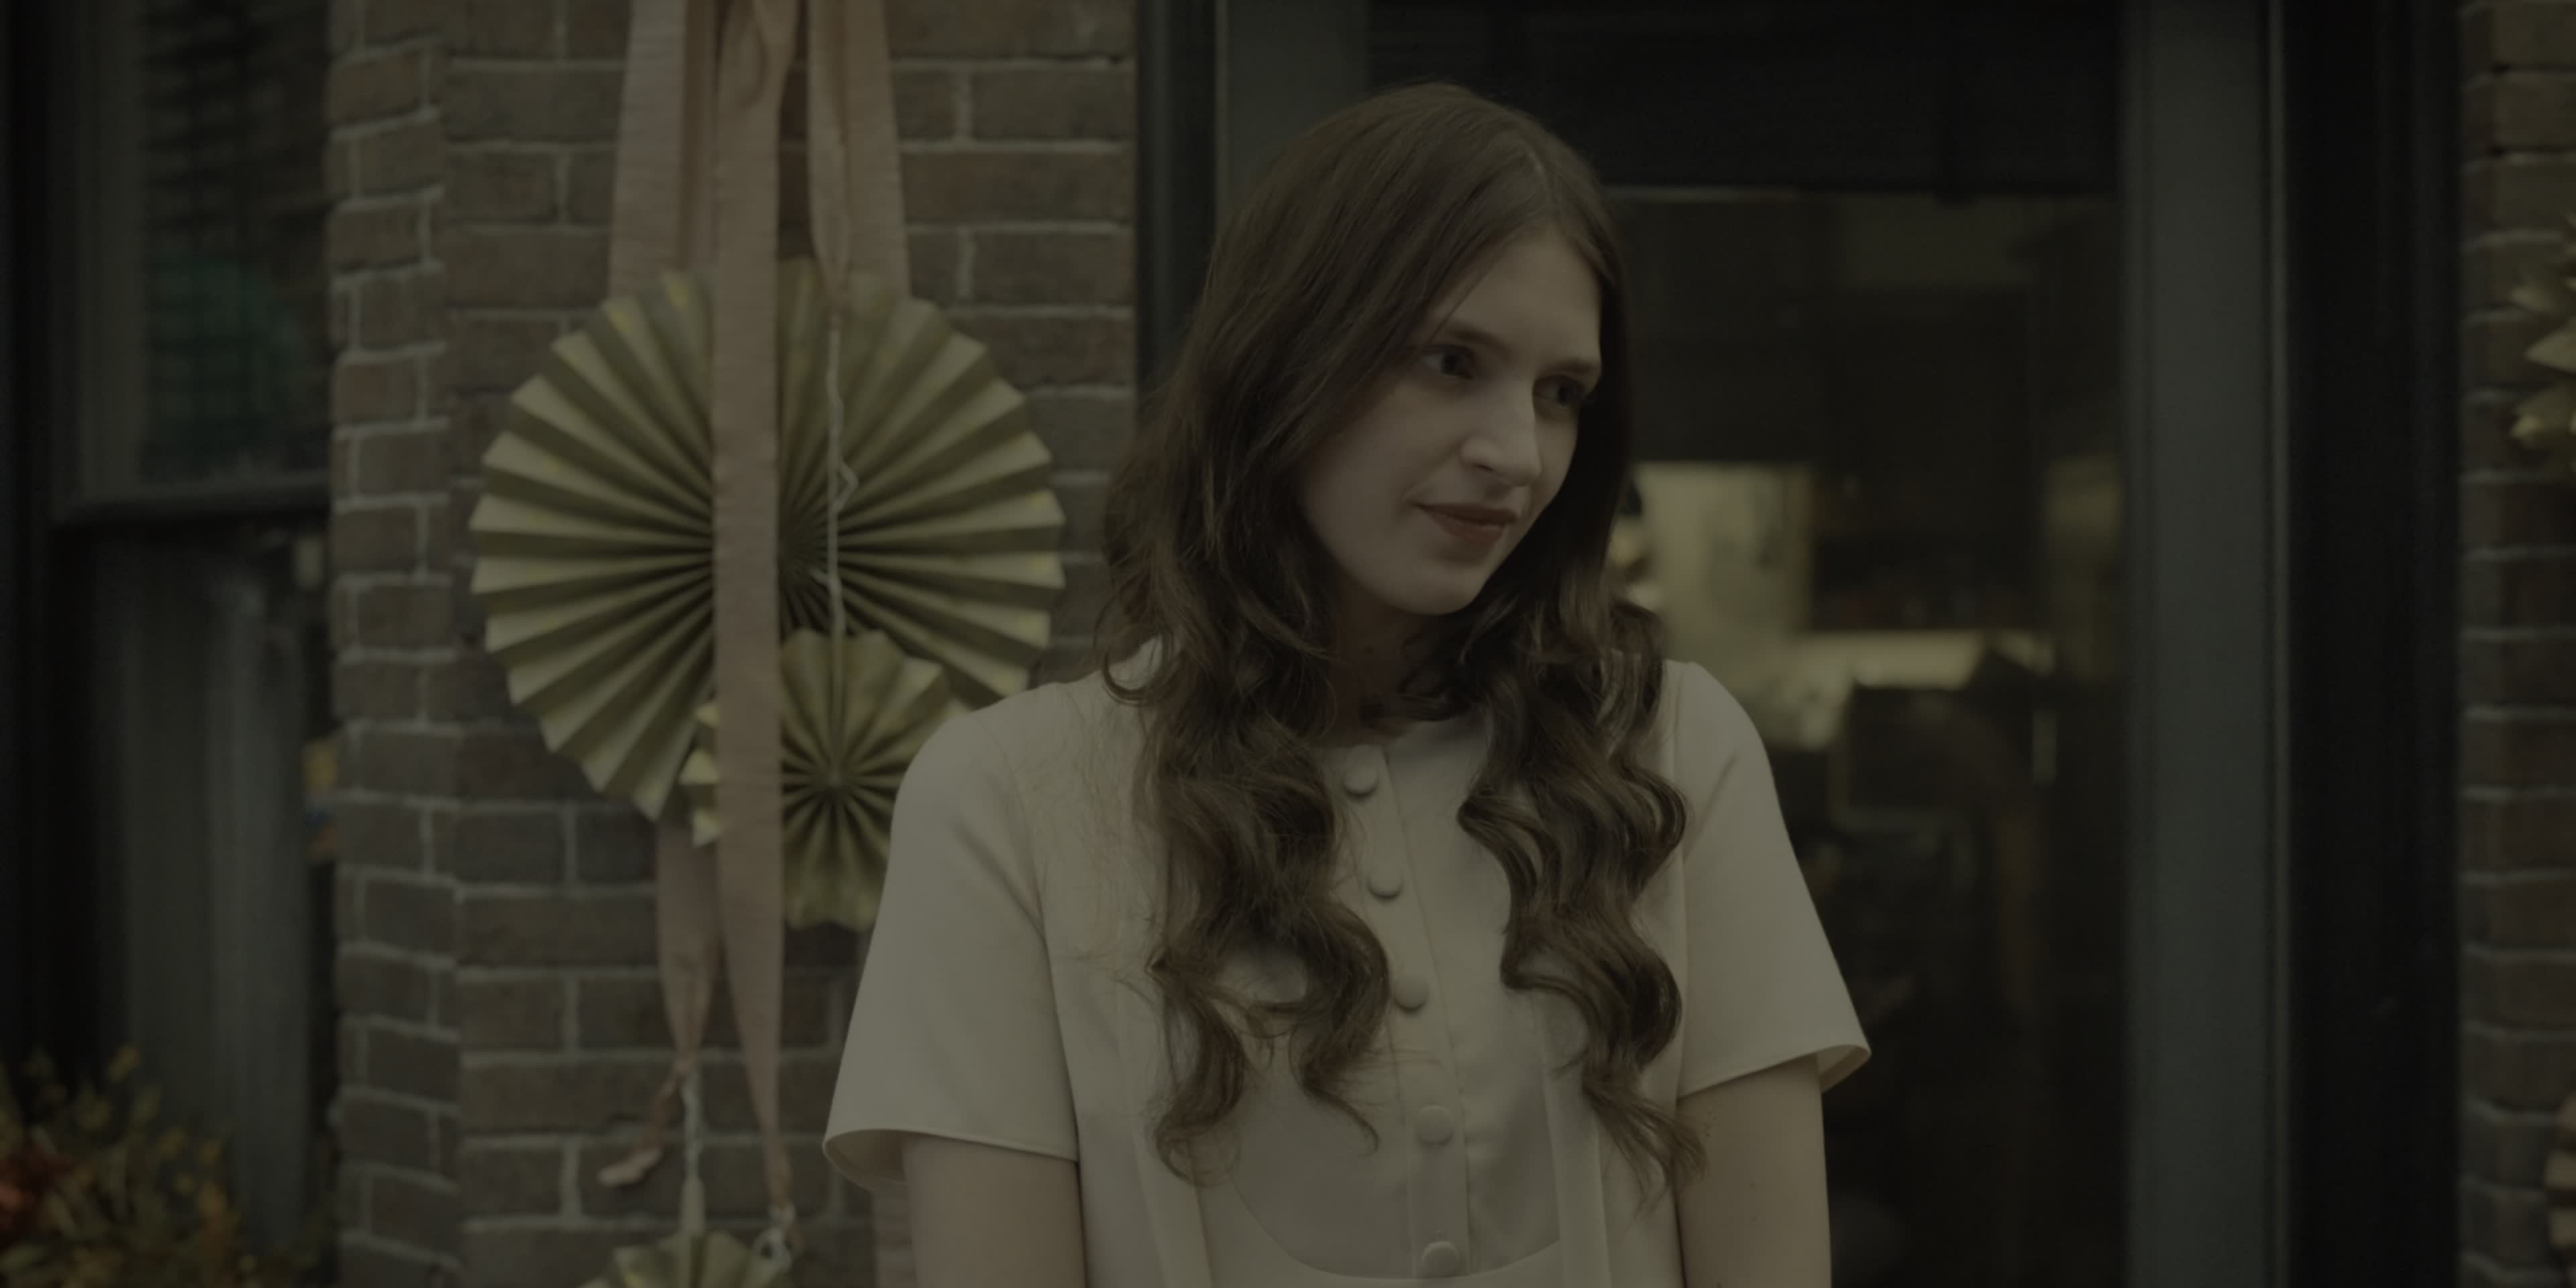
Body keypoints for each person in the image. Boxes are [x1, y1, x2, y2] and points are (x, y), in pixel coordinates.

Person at [822, 81, 1870, 1287]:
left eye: (1561, 394)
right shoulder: (1009, 800)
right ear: (1285, 356)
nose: (1517, 454)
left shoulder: (1670, 753)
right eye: (1450, 361)